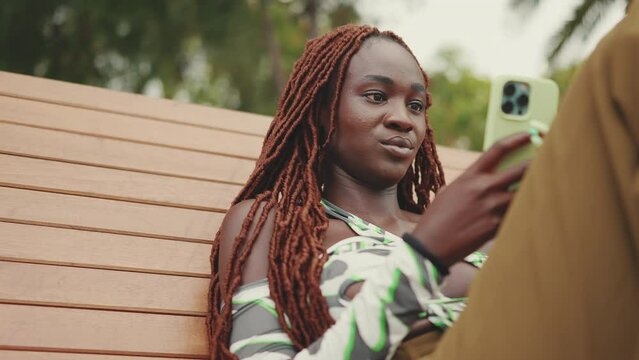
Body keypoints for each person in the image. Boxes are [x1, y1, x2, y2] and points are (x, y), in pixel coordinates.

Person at [208, 2, 638, 358]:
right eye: (377, 97)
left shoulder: (467, 227)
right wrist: (425, 256)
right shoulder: (275, 224)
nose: (402, 119)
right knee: (626, 57)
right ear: (321, 112)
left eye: (416, 105)